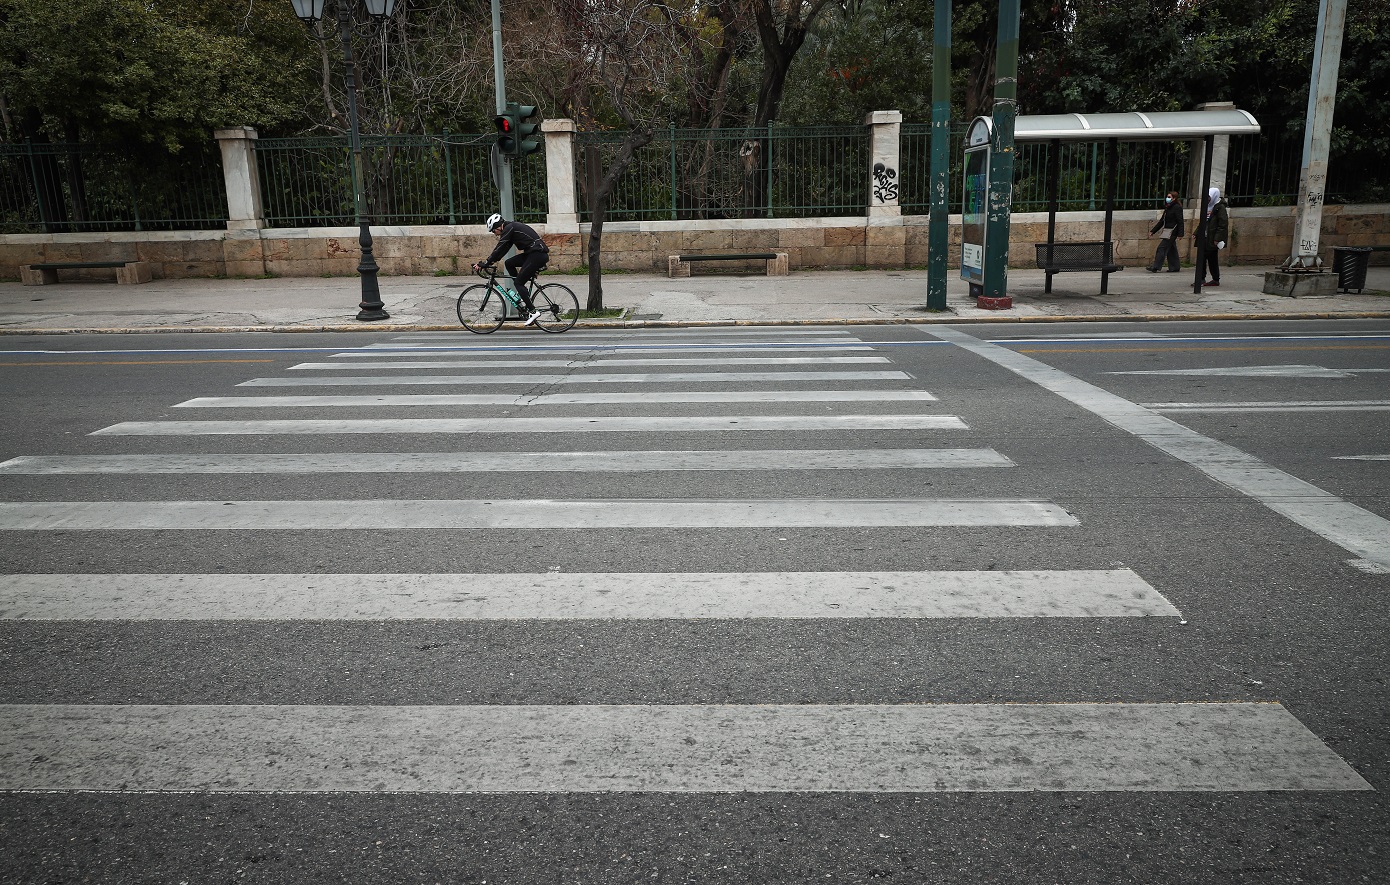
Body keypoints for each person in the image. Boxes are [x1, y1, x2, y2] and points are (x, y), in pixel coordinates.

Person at [472, 213, 550, 325]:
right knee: (509, 263)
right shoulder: (510, 229)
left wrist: (486, 262)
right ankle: (520, 291)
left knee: (519, 283)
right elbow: (503, 250)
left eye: (494, 231)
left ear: (498, 226)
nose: (495, 234)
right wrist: (490, 262)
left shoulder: (509, 228)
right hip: (533, 253)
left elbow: (500, 247)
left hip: (537, 254)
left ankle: (533, 312)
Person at [1195, 186, 1228, 287]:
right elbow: (1203, 222)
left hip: (1212, 238)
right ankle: (1201, 278)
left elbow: (1222, 224)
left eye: (1209, 197)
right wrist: (1196, 232)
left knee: (1212, 259)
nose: (1208, 199)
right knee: (1201, 258)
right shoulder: (1207, 207)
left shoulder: (1219, 208)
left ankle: (1215, 278)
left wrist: (1217, 238)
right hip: (1204, 237)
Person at [1146, 191, 1185, 273]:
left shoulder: (1177, 207)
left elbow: (1180, 221)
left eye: (1169, 197)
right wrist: (1153, 231)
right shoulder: (1168, 207)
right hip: (1167, 231)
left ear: (1174, 198)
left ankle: (1155, 266)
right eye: (1167, 196)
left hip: (1172, 232)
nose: (1167, 198)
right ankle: (1175, 267)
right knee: (1171, 249)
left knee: (1161, 248)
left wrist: (1181, 234)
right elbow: (1161, 221)